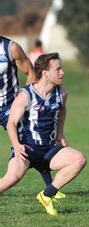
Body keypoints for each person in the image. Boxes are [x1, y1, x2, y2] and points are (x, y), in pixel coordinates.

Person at [0, 53, 87, 215]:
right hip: (27, 149)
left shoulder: (61, 93)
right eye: (58, 69)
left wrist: (60, 133)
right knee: (10, 180)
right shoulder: (26, 95)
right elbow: (11, 123)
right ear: (45, 73)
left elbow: (62, 109)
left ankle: (47, 195)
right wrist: (16, 146)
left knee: (79, 159)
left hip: (49, 149)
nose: (62, 73)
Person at [0, 36, 59, 192]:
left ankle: (48, 186)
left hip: (8, 106)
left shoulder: (10, 48)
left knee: (26, 141)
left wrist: (25, 100)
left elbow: (30, 72)